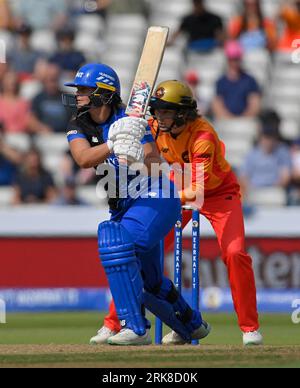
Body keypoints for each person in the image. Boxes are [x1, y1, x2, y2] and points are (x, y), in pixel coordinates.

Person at [94, 80, 263, 346]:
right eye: (157, 110)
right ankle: (115, 323)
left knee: (235, 253)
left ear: (183, 113)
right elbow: (129, 127)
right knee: (134, 248)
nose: (159, 116)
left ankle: (250, 329)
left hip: (217, 194)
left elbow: (198, 190)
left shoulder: (203, 136)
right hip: (176, 189)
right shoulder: (153, 127)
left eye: (166, 111)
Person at [63, 63, 211, 346]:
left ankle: (135, 326)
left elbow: (154, 163)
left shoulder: (128, 119)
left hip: (154, 196)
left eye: (84, 89)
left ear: (103, 93)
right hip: (122, 205)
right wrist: (113, 144)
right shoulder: (78, 123)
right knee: (148, 283)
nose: (78, 94)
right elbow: (83, 158)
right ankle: (191, 326)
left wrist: (136, 150)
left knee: (114, 241)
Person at [212, 40, 261, 119]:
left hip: (246, 123)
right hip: (226, 123)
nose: (234, 62)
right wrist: (230, 119)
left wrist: (242, 120)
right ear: (228, 59)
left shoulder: (250, 81)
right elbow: (217, 105)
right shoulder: (220, 82)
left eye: (236, 59)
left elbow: (255, 105)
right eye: (231, 59)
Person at [239, 126, 292, 195]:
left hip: (275, 190)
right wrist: (251, 190)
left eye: (271, 137)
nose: (269, 141)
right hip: (255, 190)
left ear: (276, 138)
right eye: (266, 137)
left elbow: (285, 176)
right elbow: (243, 176)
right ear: (261, 138)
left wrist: (273, 191)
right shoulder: (252, 154)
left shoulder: (282, 152)